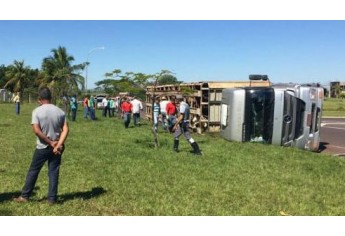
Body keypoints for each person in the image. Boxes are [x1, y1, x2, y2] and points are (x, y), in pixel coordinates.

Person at [14, 87, 69, 204]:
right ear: (50, 97)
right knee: (54, 171)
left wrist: (49, 142)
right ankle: (52, 199)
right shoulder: (60, 111)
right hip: (57, 148)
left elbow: (36, 131)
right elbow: (65, 129)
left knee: (34, 170)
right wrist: (58, 144)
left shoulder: (37, 111)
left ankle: (25, 196)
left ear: (40, 99)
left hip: (43, 147)